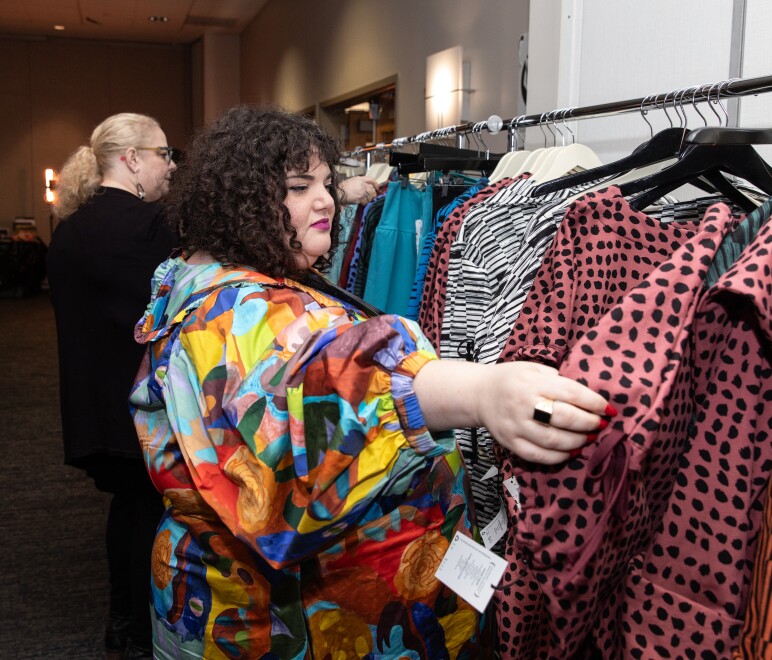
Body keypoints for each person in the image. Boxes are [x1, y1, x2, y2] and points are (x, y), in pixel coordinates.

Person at [129, 105, 611, 659]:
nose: (327, 200)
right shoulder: (238, 308)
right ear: (239, 199)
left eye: (327, 183)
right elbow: (329, 380)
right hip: (283, 623)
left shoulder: (207, 276)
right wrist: (482, 392)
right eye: (297, 186)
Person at [47, 112, 178, 659]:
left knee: (128, 506)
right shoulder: (153, 228)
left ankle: (122, 621)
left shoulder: (70, 231)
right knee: (148, 510)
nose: (171, 166)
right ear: (131, 160)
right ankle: (144, 632)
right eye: (164, 154)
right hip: (143, 404)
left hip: (93, 406)